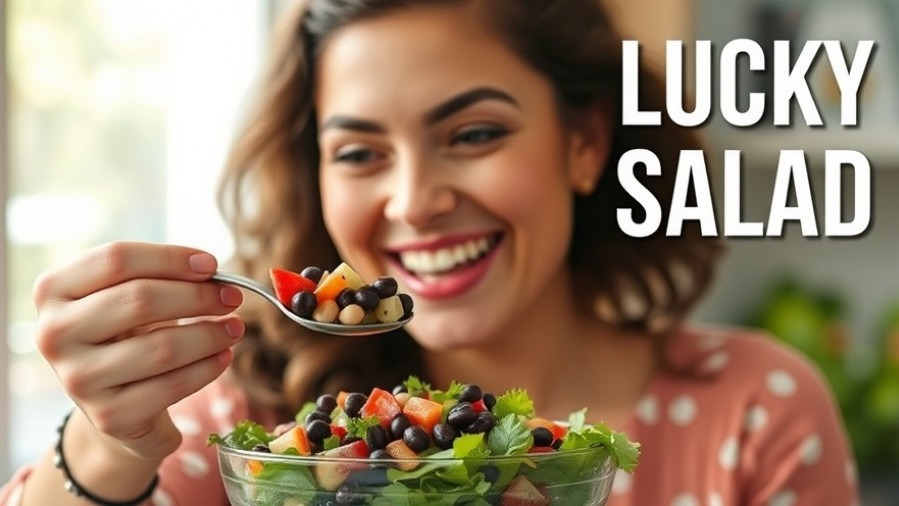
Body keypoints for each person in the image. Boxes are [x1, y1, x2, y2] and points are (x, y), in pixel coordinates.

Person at [2, 0, 859, 505]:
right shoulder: (245, 429)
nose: (412, 201)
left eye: (474, 133)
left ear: (586, 142)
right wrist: (107, 447)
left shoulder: (756, 413)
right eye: (359, 152)